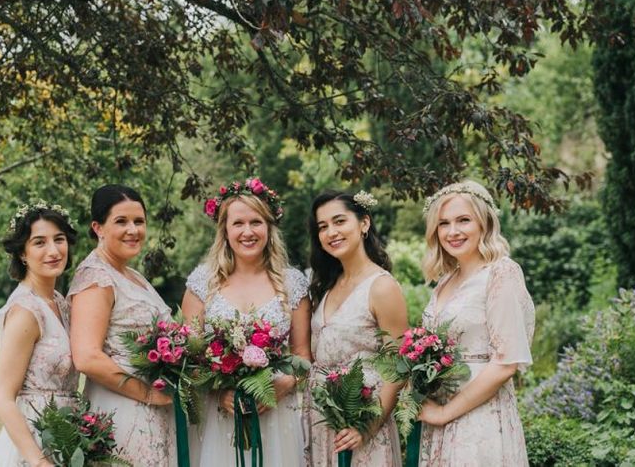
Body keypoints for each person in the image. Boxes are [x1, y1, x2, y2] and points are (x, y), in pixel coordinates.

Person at [181, 177, 311, 467]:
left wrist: (283, 384)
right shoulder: (203, 283)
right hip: (221, 417)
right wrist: (218, 391)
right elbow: (190, 357)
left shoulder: (292, 283)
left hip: (276, 414)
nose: (247, 232)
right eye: (238, 223)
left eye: (256, 222)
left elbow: (302, 354)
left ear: (269, 228)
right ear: (225, 230)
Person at [417, 180, 535, 466]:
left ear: (484, 223)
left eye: (463, 220)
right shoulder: (445, 281)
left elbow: (506, 363)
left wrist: (445, 413)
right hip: (440, 415)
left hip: (480, 418)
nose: (453, 231)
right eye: (444, 223)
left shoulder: (501, 273)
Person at [69, 184, 174, 467]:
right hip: (121, 411)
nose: (133, 230)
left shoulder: (132, 275)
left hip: (153, 413)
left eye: (139, 222)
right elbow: (87, 357)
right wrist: (149, 394)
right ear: (98, 227)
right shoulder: (96, 277)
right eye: (121, 221)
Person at [306, 190, 406, 467]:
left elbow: (398, 364)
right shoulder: (327, 284)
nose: (331, 232)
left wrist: (368, 426)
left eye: (339, 221)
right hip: (321, 421)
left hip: (362, 424)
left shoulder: (381, 286)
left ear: (364, 223)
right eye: (322, 227)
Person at [0, 201, 79, 467]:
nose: (53, 251)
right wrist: (38, 461)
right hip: (33, 443)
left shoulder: (61, 303)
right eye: (39, 242)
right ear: (23, 253)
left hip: (67, 437)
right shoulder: (25, 312)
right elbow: (3, 397)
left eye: (59, 239)